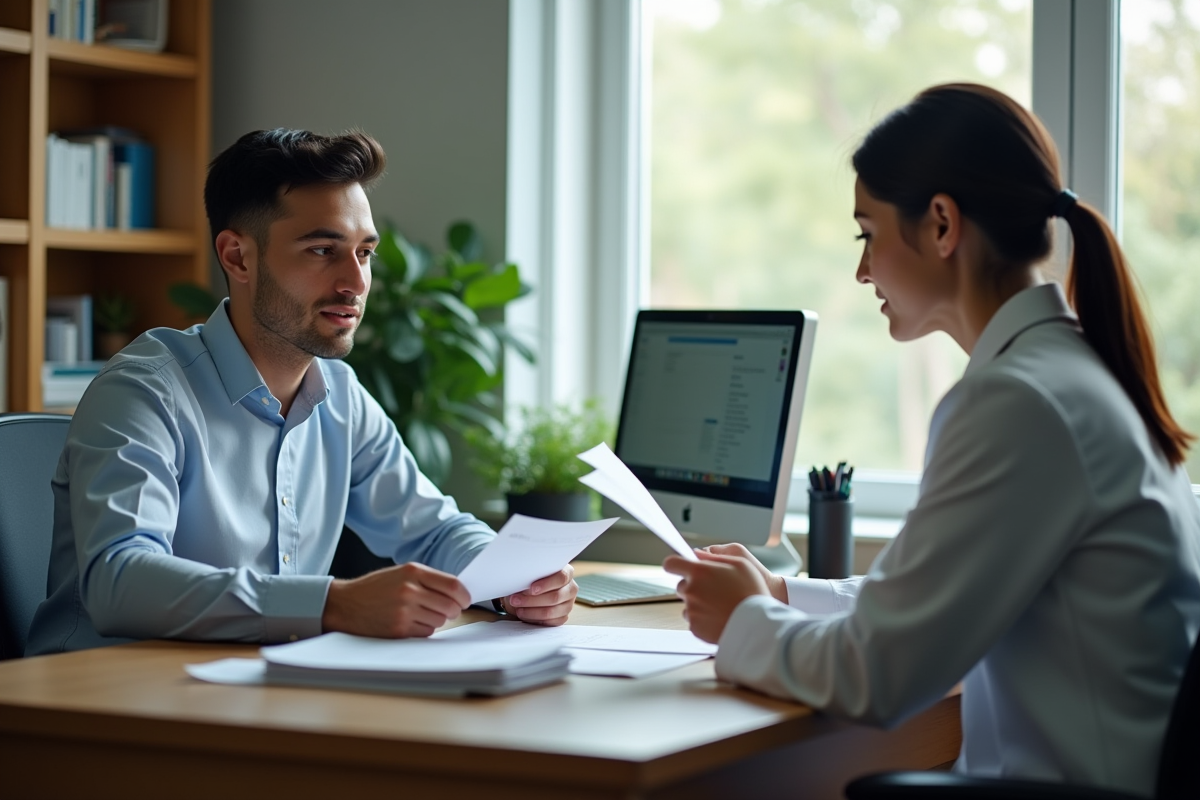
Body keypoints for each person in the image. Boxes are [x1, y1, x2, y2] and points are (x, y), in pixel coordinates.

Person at [663, 84, 1200, 796]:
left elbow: (876, 675)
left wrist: (745, 620)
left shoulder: (1018, 403)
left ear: (942, 225)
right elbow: (923, 597)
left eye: (868, 234)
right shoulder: (1063, 377)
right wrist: (785, 594)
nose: (862, 270)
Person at [26, 128, 576, 656]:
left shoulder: (339, 392)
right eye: (322, 250)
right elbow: (119, 579)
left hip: (253, 689)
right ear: (238, 257)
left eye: (364, 252)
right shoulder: (145, 390)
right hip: (104, 702)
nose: (356, 283)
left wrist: (512, 581)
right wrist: (332, 604)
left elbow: (434, 531)